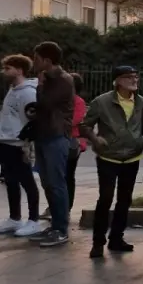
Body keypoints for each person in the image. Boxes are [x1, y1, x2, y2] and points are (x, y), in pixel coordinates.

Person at [78, 66, 143, 259]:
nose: (134, 80)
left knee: (125, 200)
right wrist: (95, 138)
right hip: (109, 157)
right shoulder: (102, 101)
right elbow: (84, 125)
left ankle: (117, 238)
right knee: (106, 198)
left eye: (135, 76)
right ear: (117, 81)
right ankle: (98, 242)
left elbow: (142, 124)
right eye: (128, 77)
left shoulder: (140, 101)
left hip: (132, 157)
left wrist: (139, 141)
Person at [29, 42, 76, 248]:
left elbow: (46, 104)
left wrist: (40, 85)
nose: (34, 62)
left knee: (57, 183)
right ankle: (54, 225)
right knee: (47, 183)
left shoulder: (63, 80)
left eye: (36, 58)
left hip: (56, 136)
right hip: (43, 134)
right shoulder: (49, 78)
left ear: (47, 60)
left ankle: (61, 229)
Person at [0, 55, 41, 237]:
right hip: (5, 141)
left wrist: (27, 144)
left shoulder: (27, 92)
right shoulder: (13, 90)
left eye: (7, 68)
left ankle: (34, 220)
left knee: (26, 181)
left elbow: (32, 120)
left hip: (18, 143)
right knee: (11, 181)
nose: (3, 72)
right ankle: (14, 218)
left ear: (19, 70)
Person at [66, 73, 87, 213]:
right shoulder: (60, 100)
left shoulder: (78, 101)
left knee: (67, 175)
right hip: (60, 139)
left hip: (72, 141)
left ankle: (67, 207)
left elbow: (75, 120)